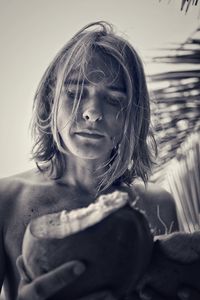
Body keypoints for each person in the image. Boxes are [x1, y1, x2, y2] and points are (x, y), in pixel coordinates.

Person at [0, 21, 199, 300]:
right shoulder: (7, 198)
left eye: (114, 99)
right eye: (74, 93)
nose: (92, 112)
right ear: (49, 100)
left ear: (133, 115)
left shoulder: (158, 203)